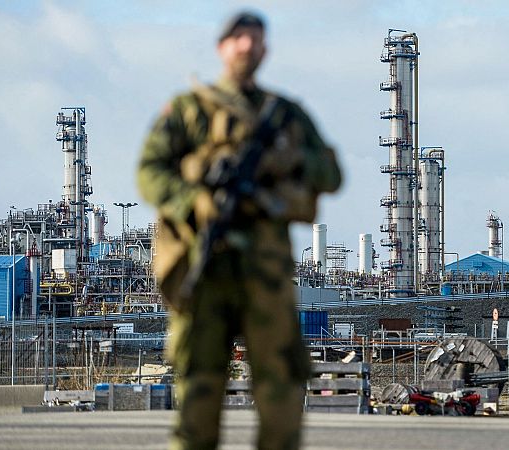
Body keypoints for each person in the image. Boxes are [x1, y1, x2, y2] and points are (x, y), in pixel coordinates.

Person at [137, 11, 341, 450]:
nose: (247, 46)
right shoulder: (191, 111)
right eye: (238, 38)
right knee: (196, 400)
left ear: (265, 50)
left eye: (256, 39)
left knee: (283, 394)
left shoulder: (285, 116)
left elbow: (331, 172)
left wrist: (284, 161)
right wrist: (195, 201)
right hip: (204, 269)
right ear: (222, 47)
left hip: (266, 279)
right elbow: (149, 172)